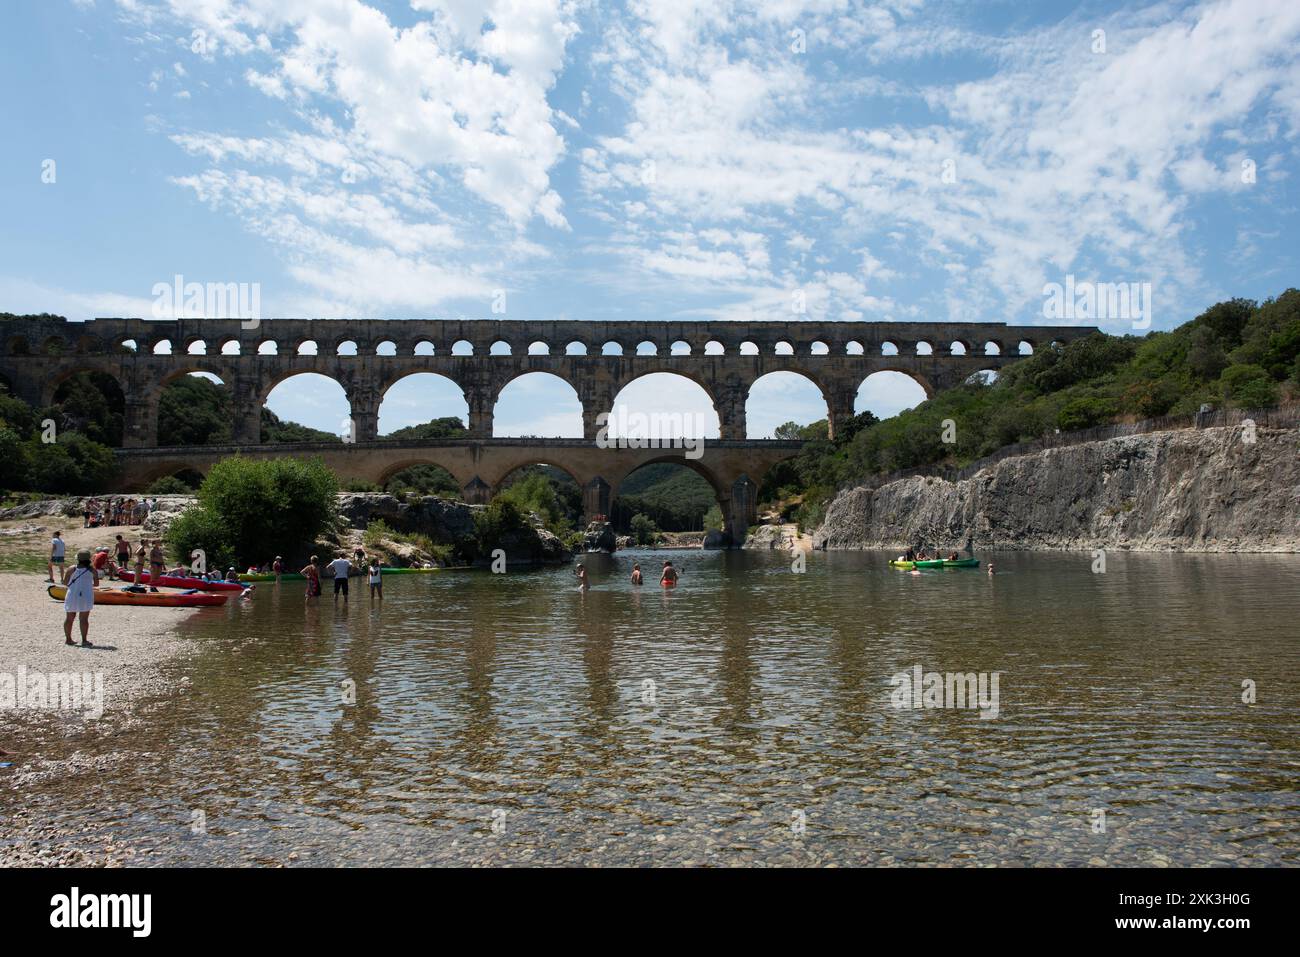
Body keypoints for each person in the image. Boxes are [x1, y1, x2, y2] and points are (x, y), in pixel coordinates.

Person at [62, 549, 98, 647]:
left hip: (72, 594)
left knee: (69, 618)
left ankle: (68, 639)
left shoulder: (71, 568)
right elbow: (96, 584)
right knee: (84, 619)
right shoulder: (92, 570)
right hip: (86, 595)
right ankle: (84, 640)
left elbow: (65, 583)